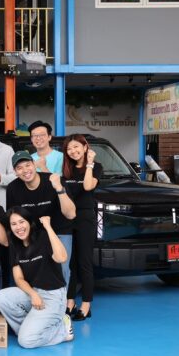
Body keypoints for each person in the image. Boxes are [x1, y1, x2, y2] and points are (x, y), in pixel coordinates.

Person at [0, 207, 74, 348]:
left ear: (29, 222)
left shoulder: (43, 237)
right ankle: (28, 329)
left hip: (53, 296)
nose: (19, 227)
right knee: (1, 297)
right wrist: (33, 294)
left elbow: (62, 257)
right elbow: (19, 279)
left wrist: (48, 227)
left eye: (22, 222)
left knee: (26, 341)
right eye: (14, 224)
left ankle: (62, 329)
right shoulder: (14, 245)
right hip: (33, 293)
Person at [6, 151, 76, 285]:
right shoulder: (13, 188)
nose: (25, 170)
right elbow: (12, 217)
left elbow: (71, 214)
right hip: (32, 233)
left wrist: (59, 188)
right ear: (15, 172)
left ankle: (62, 298)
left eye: (28, 165)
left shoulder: (53, 180)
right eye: (19, 168)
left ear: (34, 165)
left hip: (59, 230)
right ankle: (36, 296)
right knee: (32, 270)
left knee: (62, 268)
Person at [62, 134, 103, 321]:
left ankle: (86, 304)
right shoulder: (66, 170)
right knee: (70, 263)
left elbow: (87, 186)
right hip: (67, 218)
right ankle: (70, 301)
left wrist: (90, 164)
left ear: (85, 147)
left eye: (76, 147)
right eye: (69, 149)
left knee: (84, 262)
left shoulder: (96, 167)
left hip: (85, 218)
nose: (73, 151)